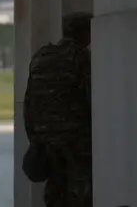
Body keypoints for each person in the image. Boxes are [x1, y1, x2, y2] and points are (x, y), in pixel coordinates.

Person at [23, 12, 93, 207]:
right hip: (75, 139)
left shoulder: (41, 56)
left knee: (55, 192)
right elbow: (91, 97)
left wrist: (35, 138)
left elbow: (29, 102)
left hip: (45, 140)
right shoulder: (80, 57)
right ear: (85, 34)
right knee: (80, 194)